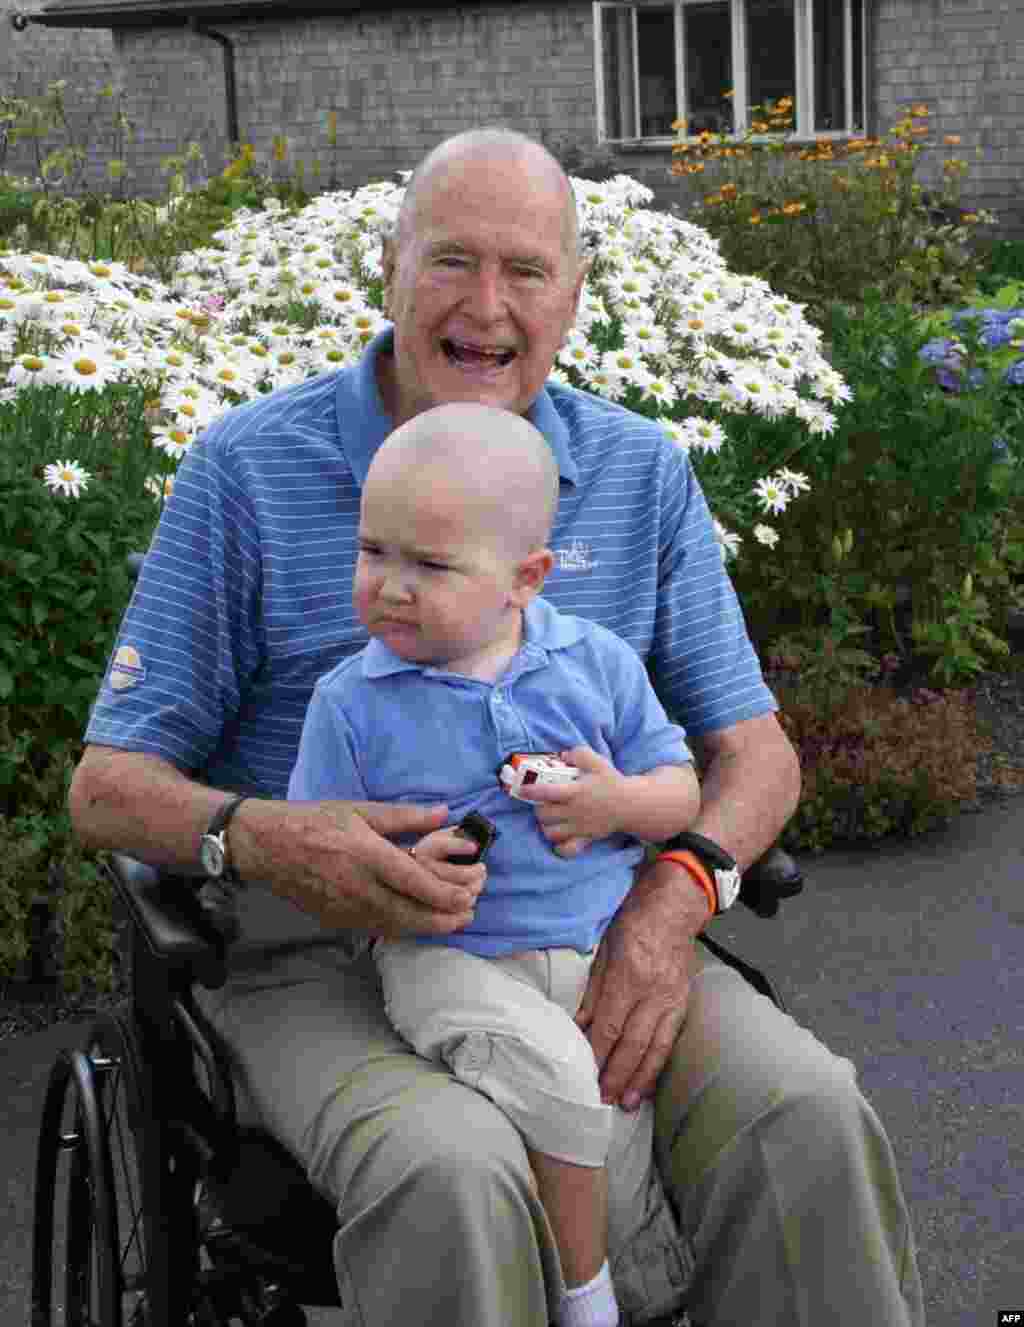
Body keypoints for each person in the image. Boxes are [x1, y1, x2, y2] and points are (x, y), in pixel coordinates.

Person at [69, 126, 925, 1326]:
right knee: (451, 1169)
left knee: (806, 1111)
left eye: (526, 271)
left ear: (574, 293)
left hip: (595, 927)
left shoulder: (635, 472)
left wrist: (675, 896)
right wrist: (267, 836)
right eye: (451, 262)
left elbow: (755, 752)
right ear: (388, 270)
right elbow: (106, 785)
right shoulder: (248, 471)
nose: (487, 307)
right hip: (322, 956)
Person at [288, 400, 704, 1327]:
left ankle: (626, 1289)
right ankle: (585, 1305)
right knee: (558, 1075)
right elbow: (317, 848)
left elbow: (680, 792)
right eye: (373, 552)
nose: (389, 586)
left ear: (526, 579)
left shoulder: (593, 662)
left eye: (429, 565)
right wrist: (398, 867)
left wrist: (615, 803)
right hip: (446, 957)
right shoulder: (352, 701)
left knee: (616, 1117)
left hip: (594, 950)